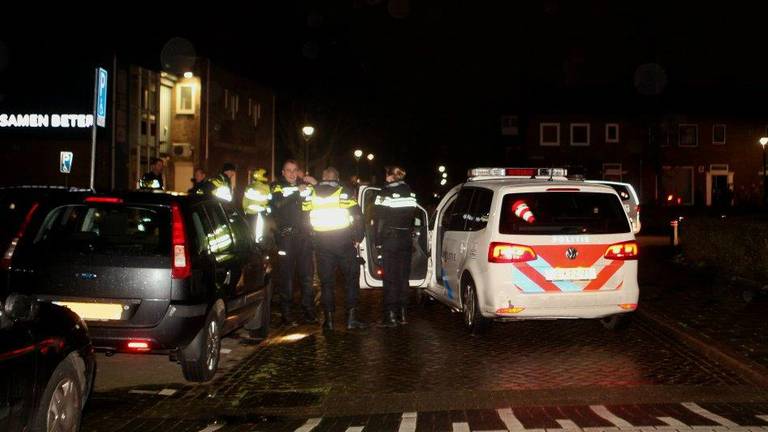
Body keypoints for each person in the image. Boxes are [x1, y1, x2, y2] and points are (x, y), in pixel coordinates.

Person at [302, 167, 367, 331]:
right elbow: (358, 215)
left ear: (322, 178)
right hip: (343, 242)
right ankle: (351, 319)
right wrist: (358, 237)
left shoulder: (312, 193)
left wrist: (312, 238)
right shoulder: (343, 191)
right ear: (337, 178)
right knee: (351, 280)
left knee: (327, 283)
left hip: (322, 244)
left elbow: (303, 217)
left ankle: (329, 321)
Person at [269, 160, 316, 326]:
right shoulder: (276, 187)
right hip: (286, 238)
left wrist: (315, 185)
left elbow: (317, 201)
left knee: (307, 276)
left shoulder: (305, 187)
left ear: (298, 171)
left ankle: (308, 311)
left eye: (294, 170)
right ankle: (286, 314)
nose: (291, 173)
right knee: (286, 277)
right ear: (282, 172)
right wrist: (297, 192)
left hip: (304, 237)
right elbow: (277, 203)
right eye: (288, 170)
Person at [373, 165, 417, 327]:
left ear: (391, 176)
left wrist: (377, 241)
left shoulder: (384, 193)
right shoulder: (410, 192)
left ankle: (390, 316)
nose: (385, 176)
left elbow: (379, 219)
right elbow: (412, 217)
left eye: (387, 173)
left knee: (390, 278)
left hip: (390, 240)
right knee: (403, 277)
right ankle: (403, 314)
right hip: (405, 239)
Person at [243, 168, 272, 244]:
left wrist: (245, 210)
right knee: (261, 233)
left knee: (251, 233)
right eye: (265, 175)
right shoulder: (266, 187)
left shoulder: (248, 187)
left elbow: (244, 202)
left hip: (250, 214)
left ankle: (252, 248)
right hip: (262, 213)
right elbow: (270, 201)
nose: (267, 177)